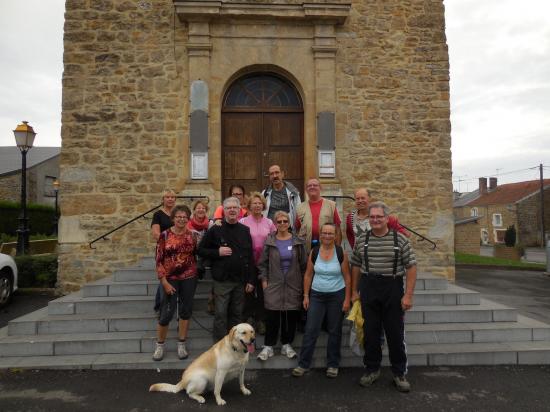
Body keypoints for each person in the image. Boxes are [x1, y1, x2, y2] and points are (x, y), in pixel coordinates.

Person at [350, 201, 417, 393]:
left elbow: (411, 267)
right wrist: (354, 291)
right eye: (372, 217)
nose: (376, 220)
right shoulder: (362, 240)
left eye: (379, 217)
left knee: (395, 333)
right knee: (370, 333)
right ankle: (372, 369)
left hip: (393, 288)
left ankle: (399, 373)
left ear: (387, 218)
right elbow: (355, 265)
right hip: (369, 287)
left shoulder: (400, 240)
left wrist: (408, 295)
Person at [292, 223, 351, 379]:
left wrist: (347, 299)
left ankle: (333, 365)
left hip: (336, 295)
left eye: (330, 233)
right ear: (320, 235)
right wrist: (306, 295)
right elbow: (308, 275)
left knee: (334, 331)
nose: (327, 236)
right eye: (324, 233)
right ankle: (303, 364)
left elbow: (347, 277)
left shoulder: (341, 253)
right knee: (311, 329)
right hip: (317, 295)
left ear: (335, 235)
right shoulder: (315, 251)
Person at [198, 197, 256, 341]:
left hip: (240, 280)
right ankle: (219, 345)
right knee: (221, 314)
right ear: (223, 210)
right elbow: (200, 250)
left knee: (237, 314)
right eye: (228, 207)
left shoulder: (245, 230)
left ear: (239, 211)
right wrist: (217, 252)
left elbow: (249, 256)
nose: (231, 210)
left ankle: (235, 343)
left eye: (234, 208)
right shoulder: (215, 229)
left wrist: (251, 279)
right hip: (222, 281)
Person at [257, 211, 307, 361]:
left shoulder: (298, 242)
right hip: (274, 284)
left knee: (290, 316)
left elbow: (304, 265)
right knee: (272, 316)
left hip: (293, 284)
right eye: (279, 221)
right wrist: (264, 281)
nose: (283, 224)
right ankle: (268, 346)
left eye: (285, 221)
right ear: (275, 224)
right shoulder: (270, 241)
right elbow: (262, 263)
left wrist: (304, 284)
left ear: (290, 223)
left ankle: (287, 344)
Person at [152, 205, 200, 361]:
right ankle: (160, 345)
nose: (181, 219)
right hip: (170, 279)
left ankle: (181, 344)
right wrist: (164, 282)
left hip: (189, 278)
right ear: (173, 218)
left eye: (184, 217)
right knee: (166, 313)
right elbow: (159, 260)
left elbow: (198, 254)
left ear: (188, 219)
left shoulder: (193, 236)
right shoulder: (164, 236)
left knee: (185, 312)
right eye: (178, 216)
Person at [239, 192, 276, 334]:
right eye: (254, 203)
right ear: (249, 206)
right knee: (247, 293)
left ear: (263, 205)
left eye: (259, 203)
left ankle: (261, 320)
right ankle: (247, 319)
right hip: (248, 263)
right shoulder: (243, 222)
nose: (257, 205)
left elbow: (274, 240)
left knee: (262, 293)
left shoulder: (269, 222)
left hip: (264, 264)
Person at [295, 178, 342, 254]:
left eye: (315, 185)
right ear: (306, 189)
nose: (312, 187)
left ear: (320, 188)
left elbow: (338, 229)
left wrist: (338, 250)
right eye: (309, 185)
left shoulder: (331, 205)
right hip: (306, 249)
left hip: (327, 247)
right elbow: (297, 229)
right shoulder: (300, 208)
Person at [151, 189, 177, 315]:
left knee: (168, 278)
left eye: (172, 197)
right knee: (164, 278)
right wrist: (170, 242)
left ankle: (159, 305)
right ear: (163, 199)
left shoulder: (178, 213)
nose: (170, 199)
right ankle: (161, 308)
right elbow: (155, 233)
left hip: (177, 252)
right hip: (164, 251)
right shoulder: (158, 214)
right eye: (167, 197)